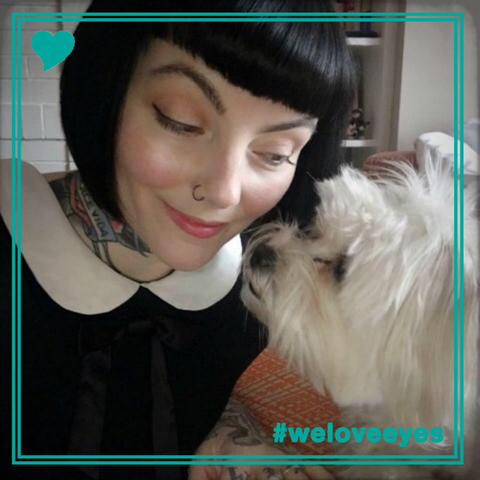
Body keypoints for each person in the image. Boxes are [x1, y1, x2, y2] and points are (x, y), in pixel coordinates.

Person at [0, 0, 356, 478]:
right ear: (106, 87)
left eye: (274, 153)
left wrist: (230, 438)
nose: (225, 192)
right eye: (179, 121)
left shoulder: (260, 287)